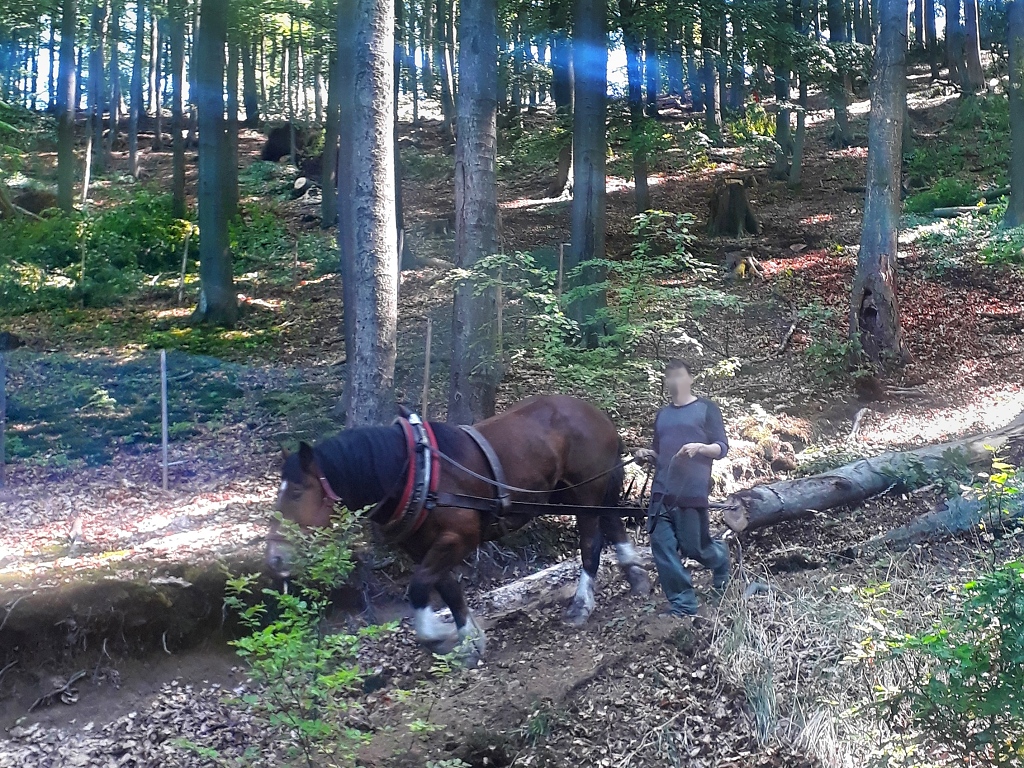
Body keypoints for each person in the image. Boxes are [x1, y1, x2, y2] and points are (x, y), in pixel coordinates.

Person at [634, 359, 730, 617]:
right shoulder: (662, 415)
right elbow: (659, 452)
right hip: (661, 492)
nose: (674, 381)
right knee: (662, 546)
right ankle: (683, 604)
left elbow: (722, 447)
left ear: (690, 378)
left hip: (691, 491)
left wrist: (701, 447)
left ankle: (721, 558)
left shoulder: (706, 409)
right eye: (670, 376)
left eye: (679, 375)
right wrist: (646, 455)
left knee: (694, 548)